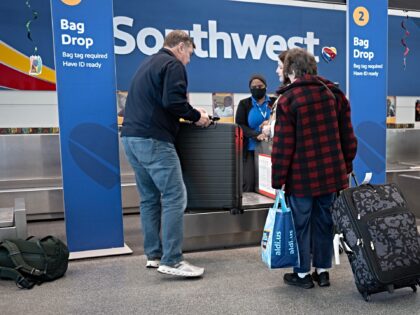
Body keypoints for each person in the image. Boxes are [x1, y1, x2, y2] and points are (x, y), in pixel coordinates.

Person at [121, 30, 211, 278]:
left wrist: (189, 111)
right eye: (190, 54)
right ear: (181, 47)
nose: (189, 60)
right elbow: (173, 102)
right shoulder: (173, 64)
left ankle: (154, 255)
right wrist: (197, 116)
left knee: (149, 198)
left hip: (130, 139)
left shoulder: (148, 62)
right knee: (174, 195)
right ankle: (172, 260)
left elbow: (161, 101)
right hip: (153, 140)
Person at [271, 48, 357, 288]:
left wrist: (278, 180)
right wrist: (346, 165)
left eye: (282, 68)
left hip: (301, 178)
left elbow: (283, 146)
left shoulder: (288, 99)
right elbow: (347, 136)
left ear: (290, 71)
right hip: (331, 175)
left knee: (300, 224)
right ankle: (323, 271)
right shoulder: (334, 94)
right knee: (324, 223)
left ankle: (302, 275)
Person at [235, 74, 276, 192]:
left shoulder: (274, 102)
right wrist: (256, 134)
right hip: (251, 150)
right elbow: (240, 125)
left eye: (260, 86)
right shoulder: (244, 104)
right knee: (249, 182)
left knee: (270, 185)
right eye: (254, 87)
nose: (257, 88)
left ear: (266, 87)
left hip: (272, 149)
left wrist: (270, 122)